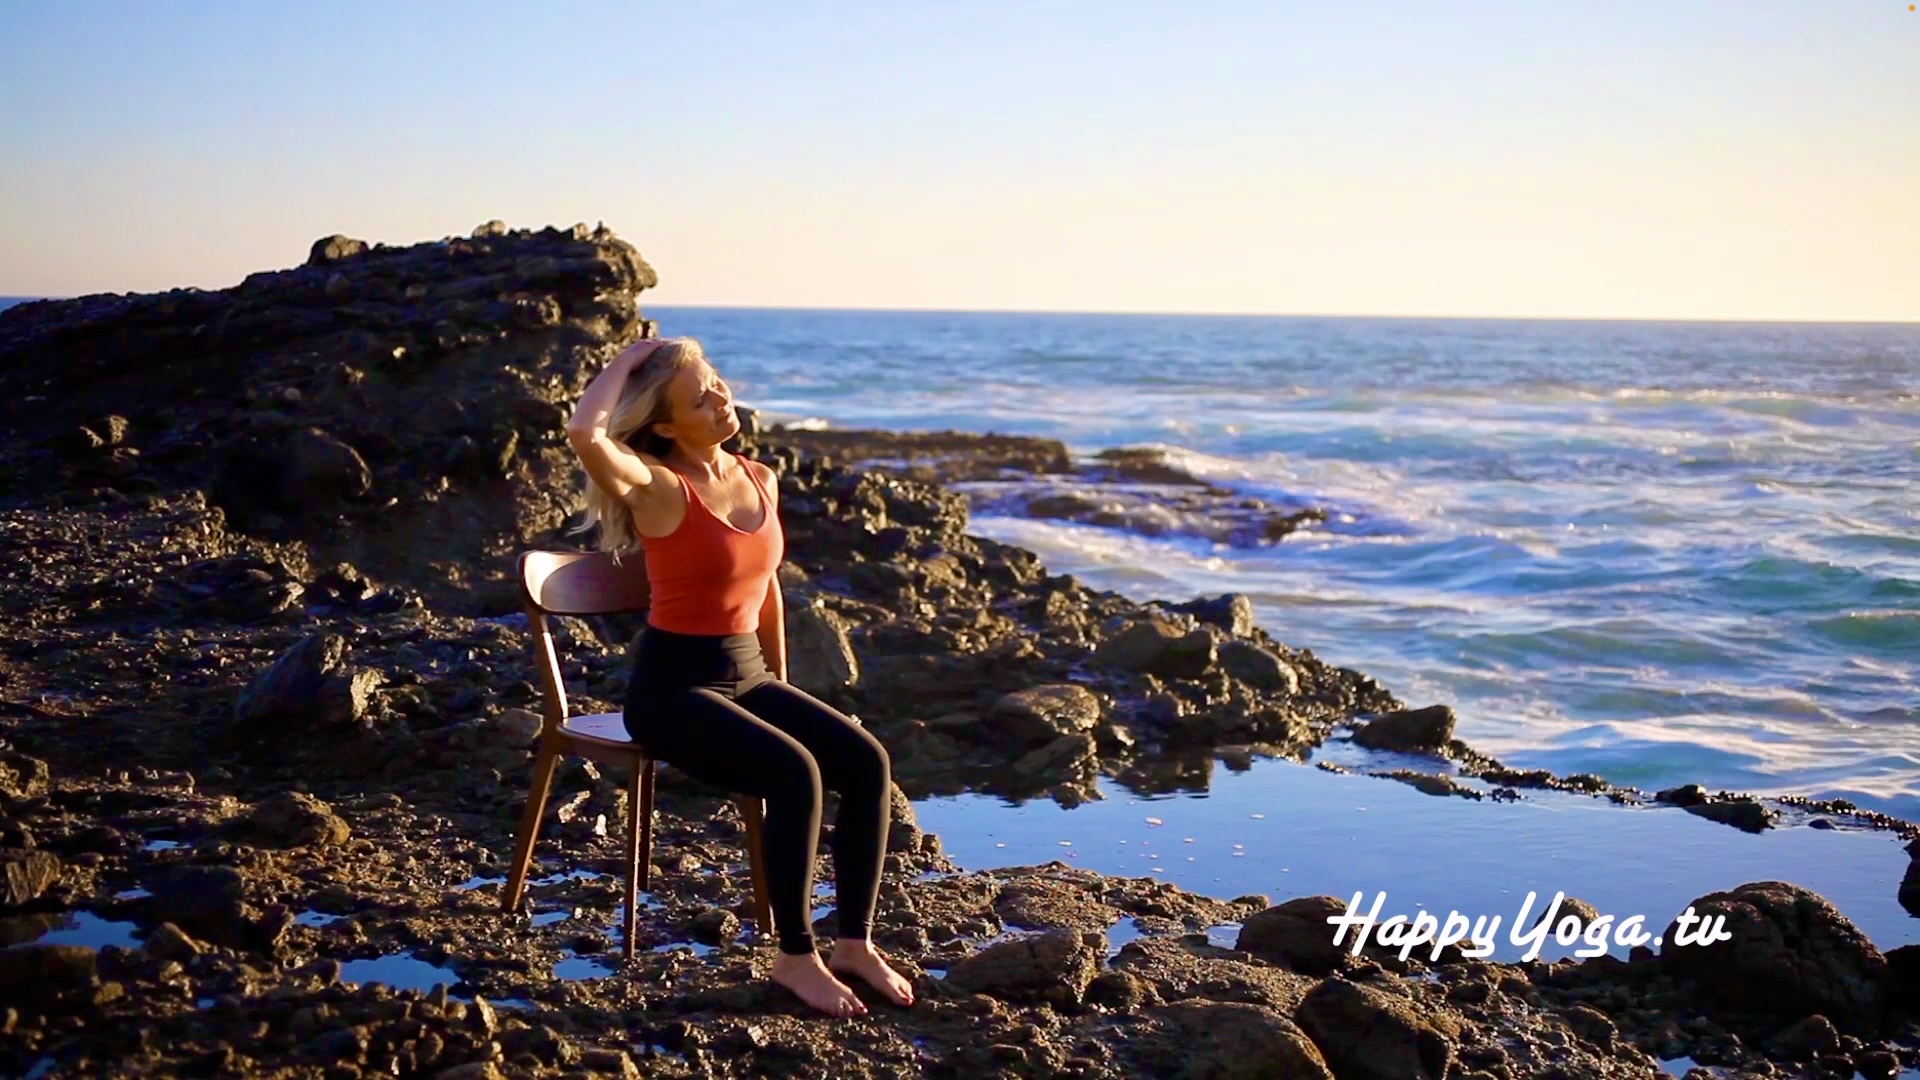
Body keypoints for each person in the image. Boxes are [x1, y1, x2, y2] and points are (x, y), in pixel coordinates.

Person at [563, 335, 913, 1018]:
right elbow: (584, 431)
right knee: (796, 773)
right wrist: (629, 360)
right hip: (672, 690)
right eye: (700, 396)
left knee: (866, 762)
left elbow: (768, 587)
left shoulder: (758, 476)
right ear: (665, 425)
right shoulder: (659, 487)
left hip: (748, 674)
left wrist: (779, 683)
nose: (721, 397)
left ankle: (855, 944)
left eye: (717, 380)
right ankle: (795, 957)